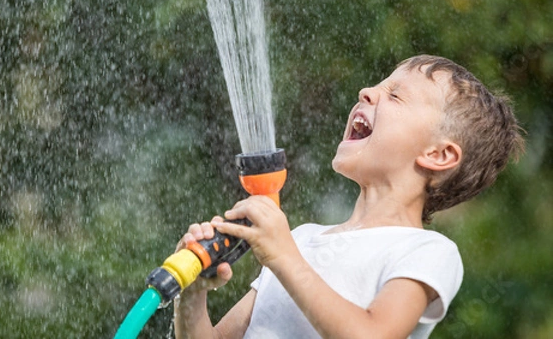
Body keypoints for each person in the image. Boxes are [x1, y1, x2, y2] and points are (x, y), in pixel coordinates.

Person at [173, 55, 524, 338]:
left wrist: (283, 256)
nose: (366, 92)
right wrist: (192, 292)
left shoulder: (426, 253)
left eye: (396, 95)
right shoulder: (302, 239)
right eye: (379, 85)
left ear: (438, 155)